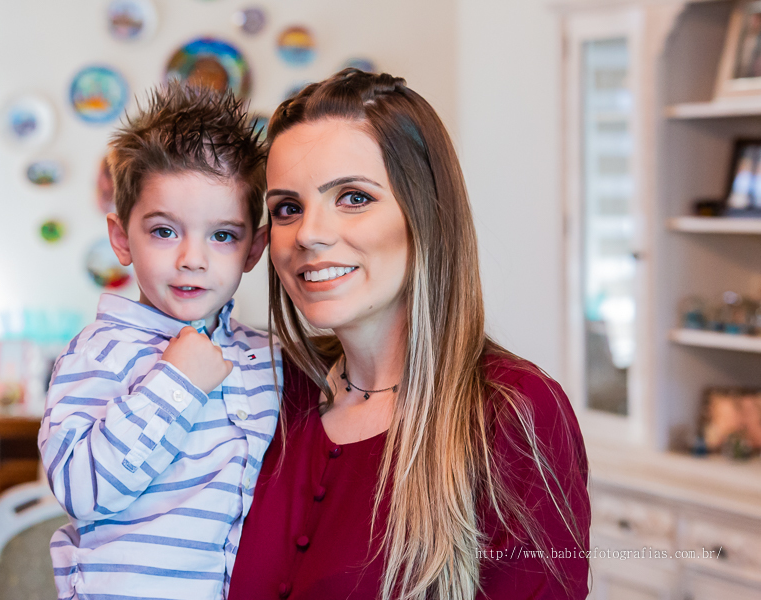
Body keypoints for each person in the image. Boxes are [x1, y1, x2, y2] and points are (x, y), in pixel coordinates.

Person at [227, 69, 590, 600]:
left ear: (426, 213)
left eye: (353, 197)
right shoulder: (268, 394)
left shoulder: (513, 413)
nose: (308, 234)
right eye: (288, 208)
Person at [38, 84, 280, 600]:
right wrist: (177, 381)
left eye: (222, 235)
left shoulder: (270, 360)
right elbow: (83, 491)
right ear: (122, 239)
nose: (192, 258)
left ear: (254, 249)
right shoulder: (97, 354)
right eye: (165, 231)